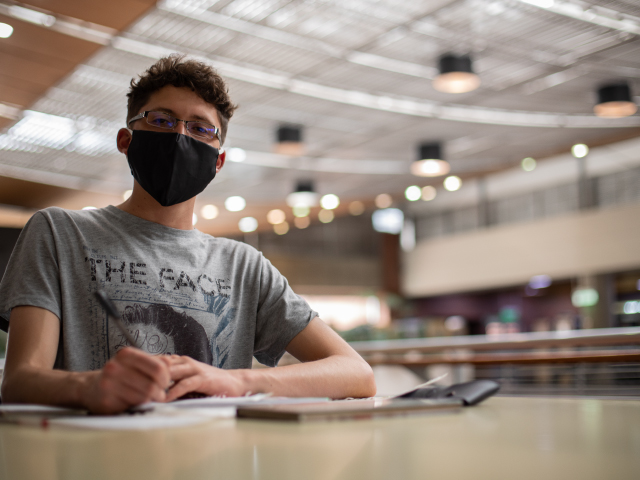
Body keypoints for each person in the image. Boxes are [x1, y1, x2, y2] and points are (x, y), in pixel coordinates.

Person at [0, 55, 376, 413]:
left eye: (200, 129)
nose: (180, 136)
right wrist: (90, 388)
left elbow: (355, 373)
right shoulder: (59, 233)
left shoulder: (244, 266)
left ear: (218, 162)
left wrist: (236, 382)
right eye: (162, 121)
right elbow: (19, 381)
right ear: (126, 140)